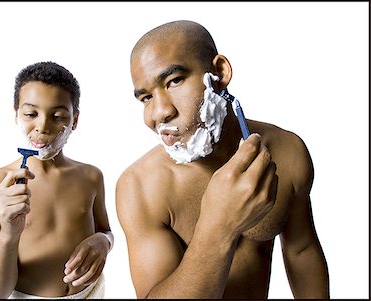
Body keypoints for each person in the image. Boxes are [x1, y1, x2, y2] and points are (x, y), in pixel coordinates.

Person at [116, 20, 329, 299]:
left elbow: (301, 249)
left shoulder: (287, 151)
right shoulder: (140, 188)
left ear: (219, 72)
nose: (158, 113)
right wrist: (218, 227)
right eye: (145, 98)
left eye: (174, 81)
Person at [0, 61, 114, 299]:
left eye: (58, 116)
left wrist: (104, 241)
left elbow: (105, 230)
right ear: (16, 114)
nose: (43, 126)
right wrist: (9, 232)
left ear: (74, 121)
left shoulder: (91, 176)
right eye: (30, 114)